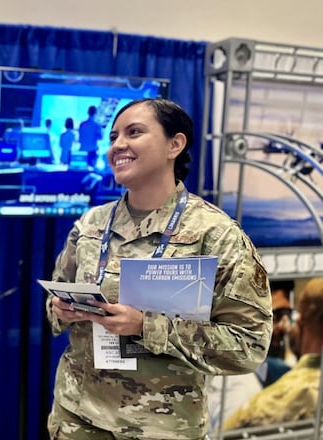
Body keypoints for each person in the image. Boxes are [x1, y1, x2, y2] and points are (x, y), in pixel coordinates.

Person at [46, 98, 272, 440]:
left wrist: (145, 326)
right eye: (113, 137)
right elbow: (55, 302)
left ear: (174, 145)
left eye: (134, 132)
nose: (118, 145)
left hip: (163, 428)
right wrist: (61, 309)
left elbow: (248, 347)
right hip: (78, 417)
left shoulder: (216, 235)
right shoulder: (91, 225)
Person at [223, 277, 323, 430]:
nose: (284, 326)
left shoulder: (280, 374)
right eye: (275, 316)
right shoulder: (230, 382)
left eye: (287, 314)